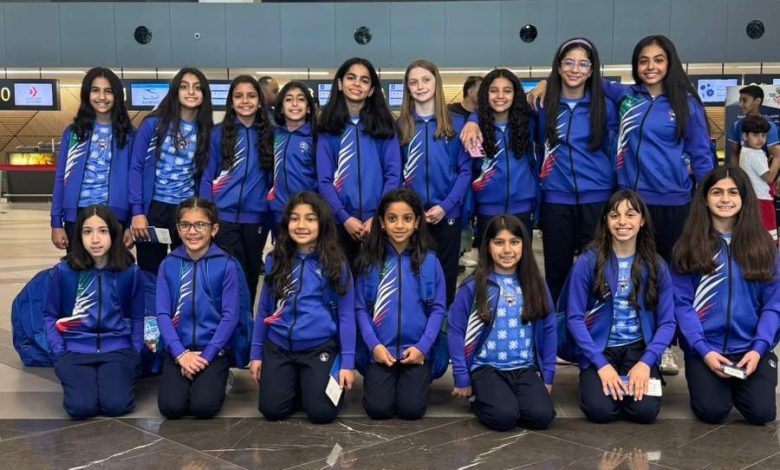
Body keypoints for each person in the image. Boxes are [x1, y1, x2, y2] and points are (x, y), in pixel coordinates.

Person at [672, 166, 780, 425]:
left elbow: (774, 304)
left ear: (744, 198)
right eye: (717, 192)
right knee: (712, 411)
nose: (725, 199)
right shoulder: (689, 247)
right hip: (706, 349)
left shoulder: (764, 246)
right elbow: (681, 305)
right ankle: (717, 384)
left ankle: (747, 380)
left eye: (733, 192)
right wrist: (703, 351)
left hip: (751, 348)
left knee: (762, 413)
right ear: (704, 199)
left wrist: (759, 349)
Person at [565, 190, 676, 424]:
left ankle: (628, 384)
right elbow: (574, 318)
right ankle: (598, 382)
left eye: (630, 215)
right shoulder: (587, 262)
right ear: (606, 220)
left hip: (639, 349)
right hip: (599, 349)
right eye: (614, 215)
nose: (622, 222)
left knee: (644, 412)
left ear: (642, 221)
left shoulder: (657, 265)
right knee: (600, 411)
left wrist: (646, 362)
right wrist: (601, 365)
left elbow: (668, 323)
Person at [249, 192, 356, 424]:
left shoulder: (336, 264)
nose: (301, 225)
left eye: (310, 219)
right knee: (271, 410)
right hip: (279, 346)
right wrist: (256, 354)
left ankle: (313, 383)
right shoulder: (275, 260)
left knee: (321, 413)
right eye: (295, 218)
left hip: (319, 347)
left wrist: (348, 363)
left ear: (322, 223)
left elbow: (347, 316)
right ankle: (298, 383)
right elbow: (264, 311)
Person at [448, 215, 556, 431]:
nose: (507, 250)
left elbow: (550, 327)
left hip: (524, 367)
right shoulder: (473, 286)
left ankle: (509, 398)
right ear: (487, 246)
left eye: (514, 242)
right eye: (499, 242)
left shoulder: (535, 284)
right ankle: (480, 398)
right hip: (486, 368)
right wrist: (461, 376)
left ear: (524, 245)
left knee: (542, 416)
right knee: (504, 417)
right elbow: (455, 330)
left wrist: (548, 374)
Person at [537, 37, 618, 303]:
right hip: (556, 200)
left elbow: (614, 150)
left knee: (597, 271)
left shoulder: (605, 107)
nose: (575, 69)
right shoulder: (543, 105)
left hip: (597, 199)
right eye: (569, 63)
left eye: (583, 64)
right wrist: (474, 119)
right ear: (559, 67)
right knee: (556, 273)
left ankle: (593, 324)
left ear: (592, 70)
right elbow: (500, 109)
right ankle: (558, 325)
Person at [44, 205, 143, 419]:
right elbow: (50, 316)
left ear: (113, 234)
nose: (95, 239)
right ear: (79, 236)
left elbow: (137, 317)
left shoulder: (130, 272)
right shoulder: (63, 272)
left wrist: (135, 350)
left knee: (116, 406)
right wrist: (59, 352)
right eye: (87, 231)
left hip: (118, 349)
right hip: (75, 349)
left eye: (103, 231)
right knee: (81, 408)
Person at [355, 188, 446, 419]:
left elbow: (438, 309)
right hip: (381, 350)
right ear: (382, 223)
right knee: (378, 409)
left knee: (411, 410)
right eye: (392, 218)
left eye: (407, 218)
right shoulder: (369, 262)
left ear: (417, 222)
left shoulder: (430, 261)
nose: (399, 225)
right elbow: (360, 308)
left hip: (415, 351)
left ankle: (418, 379)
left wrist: (423, 347)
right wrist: (374, 346)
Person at [156, 197, 240, 419]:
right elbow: (162, 313)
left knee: (203, 407)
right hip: (179, 350)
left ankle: (222, 377)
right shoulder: (168, 264)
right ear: (178, 229)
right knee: (171, 408)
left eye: (200, 225)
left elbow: (230, 316)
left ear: (214, 229)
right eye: (185, 225)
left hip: (213, 350)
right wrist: (180, 353)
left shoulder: (227, 265)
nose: (192, 231)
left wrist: (207, 354)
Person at [398, 59, 471, 305]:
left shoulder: (456, 124)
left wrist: (446, 206)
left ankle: (444, 322)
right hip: (412, 216)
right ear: (408, 88)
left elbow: (465, 171)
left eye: (426, 80)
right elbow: (396, 173)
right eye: (413, 82)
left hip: (447, 212)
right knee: (414, 272)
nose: (420, 86)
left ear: (436, 83)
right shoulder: (401, 127)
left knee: (447, 274)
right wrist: (411, 209)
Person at [317, 57, 401, 266]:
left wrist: (379, 215)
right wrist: (344, 217)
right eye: (351, 78)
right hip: (340, 223)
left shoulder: (385, 127)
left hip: (379, 222)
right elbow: (324, 180)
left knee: (376, 280)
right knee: (342, 280)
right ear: (340, 84)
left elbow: (393, 175)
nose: (357, 84)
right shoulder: (328, 129)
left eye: (364, 80)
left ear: (371, 90)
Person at [129, 68, 214, 275]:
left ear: (204, 94)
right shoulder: (153, 124)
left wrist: (204, 213)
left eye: (197, 88)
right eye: (184, 87)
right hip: (153, 209)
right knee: (149, 272)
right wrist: (137, 212)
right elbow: (136, 168)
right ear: (175, 91)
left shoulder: (207, 131)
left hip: (187, 209)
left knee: (186, 271)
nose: (191, 92)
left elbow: (206, 176)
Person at [200, 75, 274, 305]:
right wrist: (207, 213)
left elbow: (273, 180)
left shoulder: (270, 134)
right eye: (239, 96)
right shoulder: (218, 133)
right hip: (223, 217)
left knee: (251, 274)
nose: (245, 101)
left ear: (260, 101)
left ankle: (246, 324)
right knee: (230, 274)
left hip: (257, 219)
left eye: (251, 96)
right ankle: (227, 322)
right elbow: (206, 176)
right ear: (231, 102)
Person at [51, 67, 135, 252]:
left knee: (113, 269)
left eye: (108, 91)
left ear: (117, 95)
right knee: (78, 268)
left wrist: (130, 222)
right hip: (77, 216)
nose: (102, 97)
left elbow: (134, 181)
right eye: (95, 90)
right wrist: (56, 222)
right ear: (87, 94)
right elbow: (61, 178)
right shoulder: (74, 133)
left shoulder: (129, 135)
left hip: (115, 216)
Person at [471, 69, 539, 247]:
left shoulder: (528, 124)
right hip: (487, 210)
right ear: (485, 94)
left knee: (521, 261)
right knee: (488, 262)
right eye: (494, 91)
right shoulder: (474, 129)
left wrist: (544, 84)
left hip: (522, 209)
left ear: (516, 94)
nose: (500, 96)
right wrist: (472, 119)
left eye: (507, 91)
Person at [268, 81, 318, 229]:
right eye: (289, 99)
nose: (295, 104)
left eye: (301, 99)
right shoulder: (274, 135)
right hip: (279, 211)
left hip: (308, 211)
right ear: (281, 108)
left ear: (308, 108)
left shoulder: (316, 137)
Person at [738, 115, 779, 241]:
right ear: (745, 136)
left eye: (763, 135)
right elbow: (769, 177)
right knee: (769, 239)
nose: (760, 139)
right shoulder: (755, 154)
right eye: (755, 135)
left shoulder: (745, 151)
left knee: (755, 237)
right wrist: (777, 158)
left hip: (752, 199)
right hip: (762, 201)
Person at [727, 85, 780, 167]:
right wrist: (738, 173)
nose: (740, 104)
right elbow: (734, 154)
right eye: (740, 100)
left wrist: (766, 174)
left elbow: (775, 157)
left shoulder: (770, 126)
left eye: (745, 100)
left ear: (757, 101)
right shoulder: (736, 126)